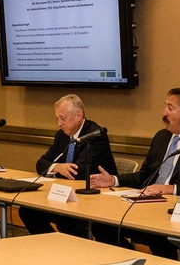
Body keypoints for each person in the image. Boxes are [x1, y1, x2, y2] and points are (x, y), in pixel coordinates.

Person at [89, 88, 180, 258]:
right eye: (165, 107)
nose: (164, 113)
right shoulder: (161, 137)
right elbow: (143, 177)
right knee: (102, 225)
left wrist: (171, 189)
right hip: (148, 208)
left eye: (170, 108)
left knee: (156, 235)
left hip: (179, 213)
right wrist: (113, 180)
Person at [20, 94, 117, 237]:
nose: (59, 123)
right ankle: (53, 246)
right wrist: (58, 167)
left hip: (94, 199)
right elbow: (40, 163)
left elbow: (78, 173)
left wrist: (57, 168)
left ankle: (75, 251)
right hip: (67, 195)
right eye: (57, 119)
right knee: (27, 212)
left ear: (79, 115)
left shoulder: (95, 135)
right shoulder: (62, 135)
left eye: (63, 118)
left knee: (67, 220)